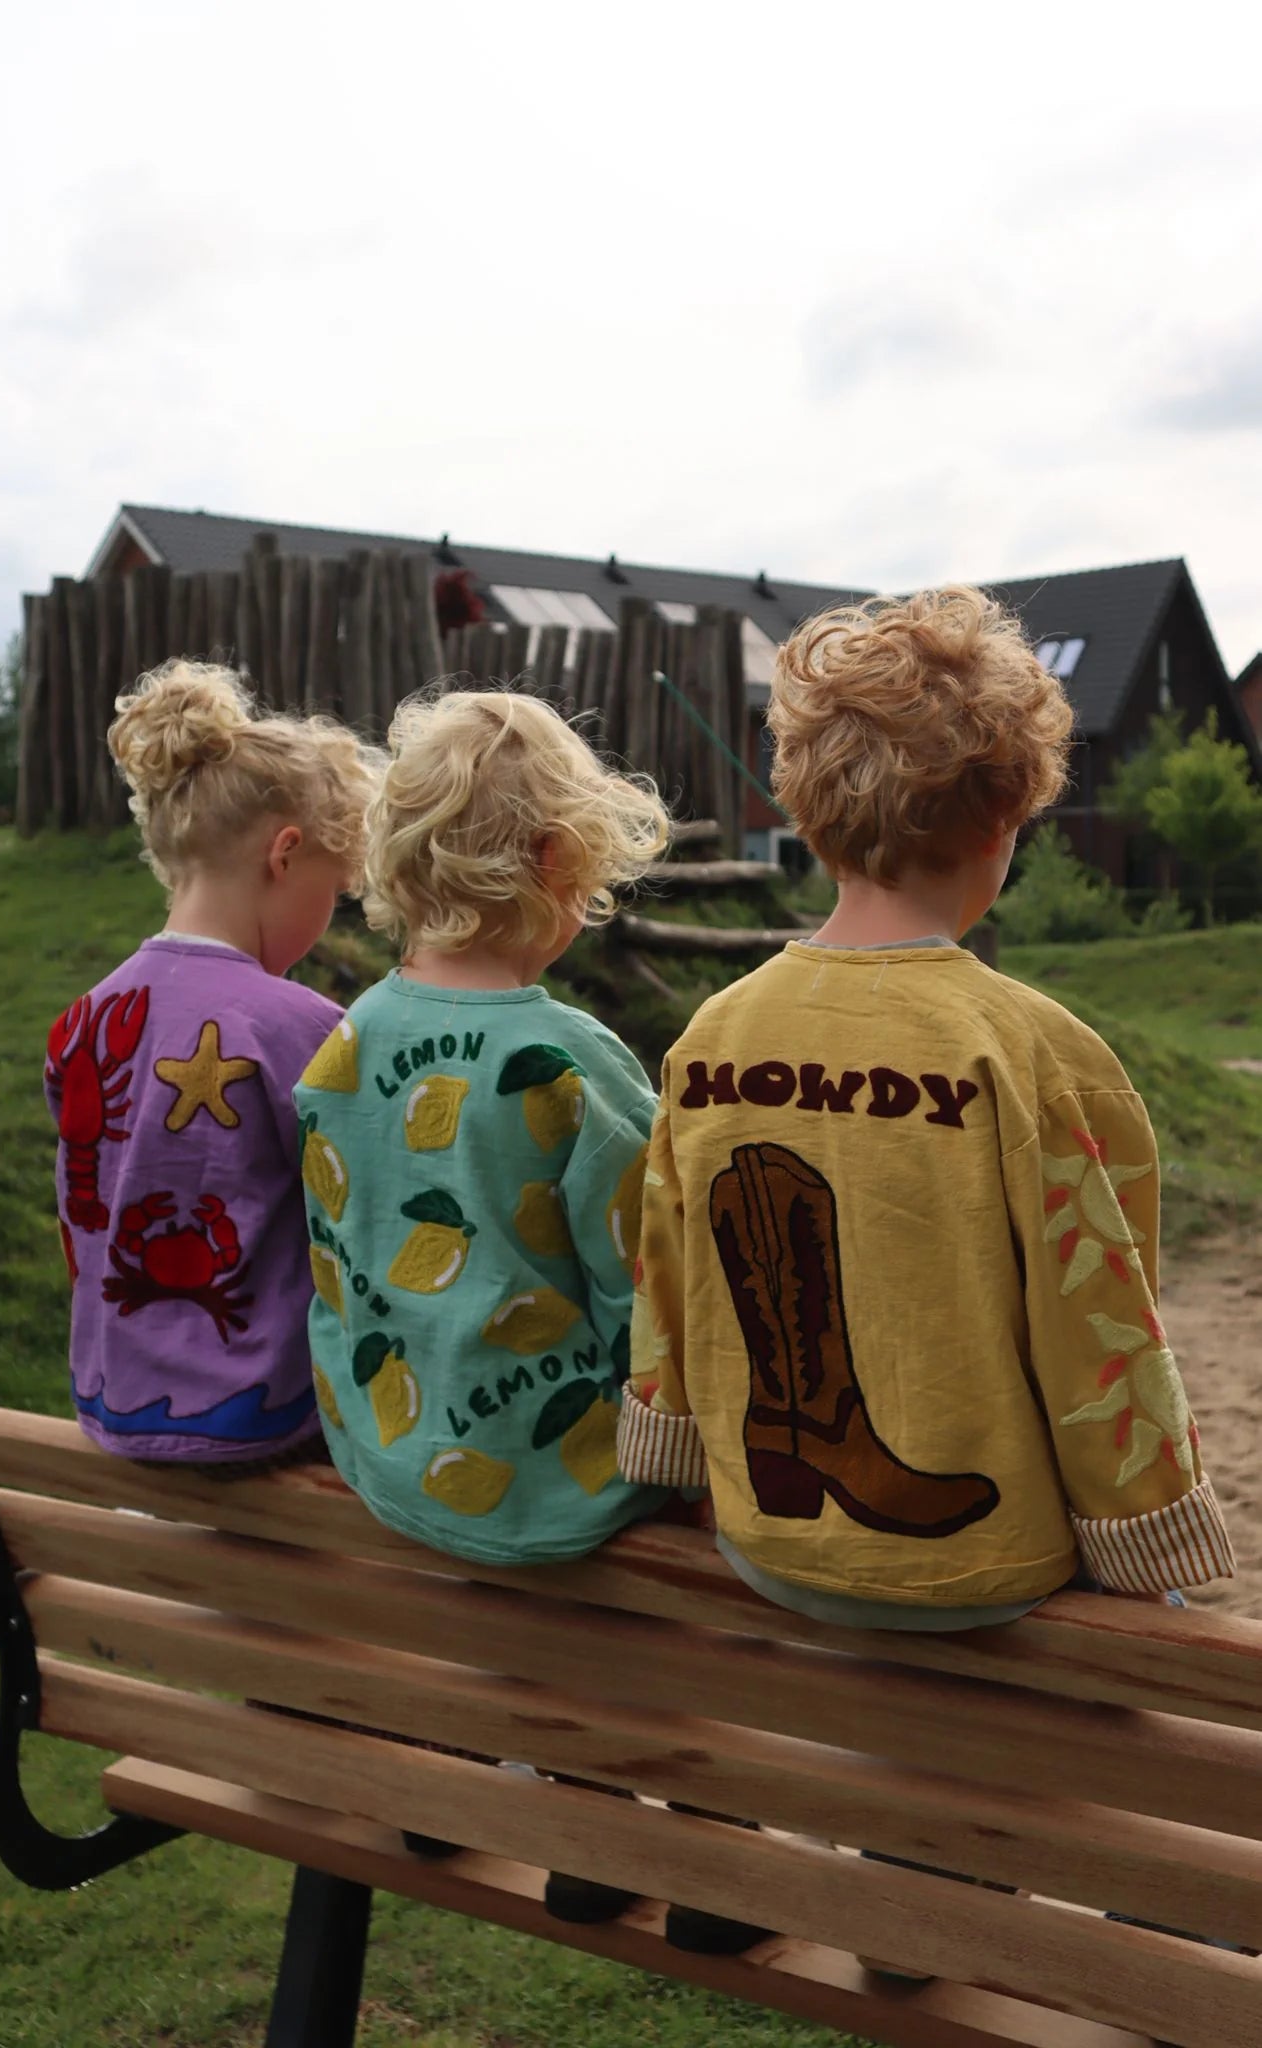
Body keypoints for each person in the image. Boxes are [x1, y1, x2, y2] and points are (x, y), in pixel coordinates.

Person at [617, 585, 1236, 1964]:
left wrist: (667, 1448)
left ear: (803, 810)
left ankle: (809, 1858)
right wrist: (1146, 1534)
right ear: (1006, 816)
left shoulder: (712, 1036)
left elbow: (667, 1277)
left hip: (772, 1540)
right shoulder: (1031, 1049)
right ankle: (958, 1912)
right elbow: (1100, 1329)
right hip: (976, 1560)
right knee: (1137, 1639)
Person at [295, 684, 670, 1923]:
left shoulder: (347, 1041)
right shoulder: (567, 1060)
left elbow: (340, 1251)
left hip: (398, 1448)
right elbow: (652, 1289)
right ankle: (628, 1823)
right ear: (561, 860)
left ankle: (454, 1753)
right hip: (558, 1474)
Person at [45, 659, 378, 1470]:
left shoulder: (81, 1021)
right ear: (285, 854)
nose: (328, 915)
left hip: (111, 1402)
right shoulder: (305, 1029)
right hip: (267, 1421)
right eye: (334, 889)